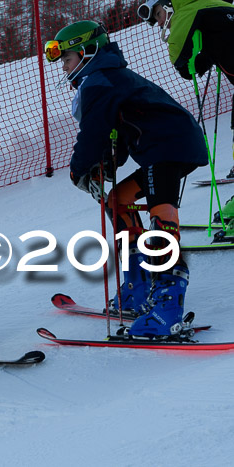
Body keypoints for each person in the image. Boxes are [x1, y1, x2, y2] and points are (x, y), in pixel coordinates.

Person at [44, 20, 208, 337]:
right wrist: (105, 163)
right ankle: (138, 285)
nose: (63, 67)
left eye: (66, 58)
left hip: (167, 146)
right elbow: (114, 137)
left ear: (87, 51)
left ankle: (167, 306)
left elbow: (92, 135)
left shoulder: (99, 80)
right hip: (166, 145)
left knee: (161, 211)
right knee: (119, 199)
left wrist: (80, 169)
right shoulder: (106, 79)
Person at [138, 0, 234, 178]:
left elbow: (179, 56)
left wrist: (187, 68)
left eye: (158, 14)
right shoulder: (213, 4)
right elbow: (222, 40)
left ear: (169, 4)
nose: (159, 23)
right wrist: (206, 59)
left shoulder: (185, 13)